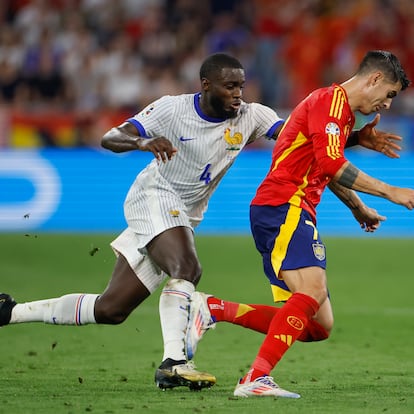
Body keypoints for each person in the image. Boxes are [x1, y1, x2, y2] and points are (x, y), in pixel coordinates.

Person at [0, 52, 404, 391]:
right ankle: (174, 362)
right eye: (229, 87)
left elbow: (299, 140)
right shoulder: (171, 109)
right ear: (206, 85)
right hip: (153, 198)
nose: (237, 95)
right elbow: (110, 138)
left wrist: (352, 140)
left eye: (242, 87)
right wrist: (144, 141)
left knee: (112, 308)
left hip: (185, 214)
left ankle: (11, 312)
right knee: (187, 268)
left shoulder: (250, 116)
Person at [184, 50, 413, 398]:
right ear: (375, 79)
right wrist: (390, 191)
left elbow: (323, 164)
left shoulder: (341, 114)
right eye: (390, 95)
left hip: (289, 209)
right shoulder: (329, 102)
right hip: (284, 204)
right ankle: (255, 378)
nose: (387, 105)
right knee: (312, 291)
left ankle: (214, 308)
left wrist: (358, 206)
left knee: (319, 326)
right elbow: (333, 164)